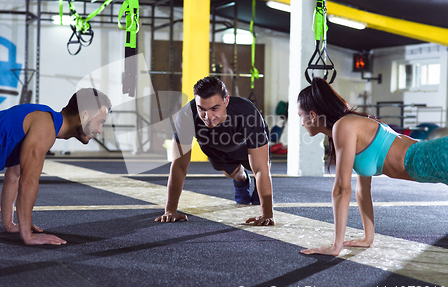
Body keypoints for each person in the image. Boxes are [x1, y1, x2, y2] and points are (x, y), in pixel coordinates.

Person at [297, 77, 448, 256]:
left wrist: (336, 247)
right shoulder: (348, 126)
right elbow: (362, 190)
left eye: (300, 116)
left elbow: (341, 189)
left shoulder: (343, 126)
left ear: (312, 116)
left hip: (433, 157)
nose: (300, 122)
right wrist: (368, 238)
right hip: (430, 161)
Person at [0, 88, 111, 245]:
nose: (99, 130)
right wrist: (28, 235)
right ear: (84, 115)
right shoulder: (44, 127)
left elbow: (14, 176)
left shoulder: (41, 117)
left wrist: (10, 224)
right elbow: (28, 182)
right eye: (100, 122)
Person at [155, 76, 274, 226]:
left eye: (214, 109)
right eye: (202, 109)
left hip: (245, 145)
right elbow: (179, 166)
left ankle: (258, 188)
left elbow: (261, 168)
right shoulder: (186, 116)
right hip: (215, 147)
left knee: (262, 166)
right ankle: (241, 180)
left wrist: (267, 214)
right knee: (232, 173)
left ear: (226, 101)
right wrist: (170, 210)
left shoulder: (246, 112)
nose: (208, 116)